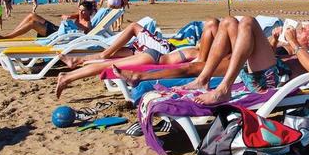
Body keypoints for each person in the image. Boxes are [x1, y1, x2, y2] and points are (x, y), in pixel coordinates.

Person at [188, 15, 309, 105]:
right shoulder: (306, 52)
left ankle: (224, 89)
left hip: (270, 80)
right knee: (228, 22)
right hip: (262, 74)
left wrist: (293, 42)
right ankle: (203, 79)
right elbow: (272, 59)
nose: (307, 32)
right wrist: (275, 41)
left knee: (249, 21)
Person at [54, 19, 225, 98]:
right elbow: (210, 28)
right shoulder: (199, 57)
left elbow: (210, 28)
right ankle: (69, 73)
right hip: (154, 56)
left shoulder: (198, 56)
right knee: (107, 63)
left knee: (107, 64)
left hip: (153, 56)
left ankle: (68, 74)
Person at [0, 2, 93, 40]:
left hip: (57, 34)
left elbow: (87, 33)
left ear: (89, 12)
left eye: (83, 11)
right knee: (32, 15)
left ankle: (7, 37)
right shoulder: (79, 16)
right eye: (80, 10)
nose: (81, 12)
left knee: (33, 24)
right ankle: (11, 34)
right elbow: (69, 16)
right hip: (57, 29)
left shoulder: (87, 22)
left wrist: (76, 25)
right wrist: (69, 17)